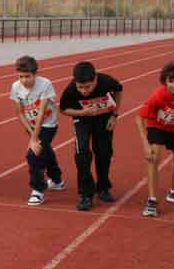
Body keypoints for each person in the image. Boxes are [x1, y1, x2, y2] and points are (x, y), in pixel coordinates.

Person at [135, 61, 174, 218]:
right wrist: (145, 145)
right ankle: (152, 201)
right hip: (156, 127)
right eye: (171, 81)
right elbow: (139, 118)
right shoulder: (159, 95)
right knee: (154, 157)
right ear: (165, 80)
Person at [59, 61, 124, 211]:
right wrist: (82, 113)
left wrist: (114, 115)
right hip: (82, 120)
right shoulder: (71, 89)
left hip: (103, 118)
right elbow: (63, 109)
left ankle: (103, 187)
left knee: (103, 152)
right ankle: (85, 194)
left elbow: (119, 90)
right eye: (80, 87)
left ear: (95, 79)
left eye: (87, 86)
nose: (83, 91)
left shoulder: (106, 81)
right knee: (82, 153)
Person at [10, 55, 65, 206]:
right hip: (31, 125)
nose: (24, 80)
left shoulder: (45, 84)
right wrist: (31, 132)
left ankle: (38, 189)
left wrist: (33, 139)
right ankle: (57, 179)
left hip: (48, 124)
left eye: (28, 76)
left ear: (35, 74)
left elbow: (41, 113)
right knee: (45, 150)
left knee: (33, 155)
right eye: (21, 76)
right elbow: (20, 113)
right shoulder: (15, 87)